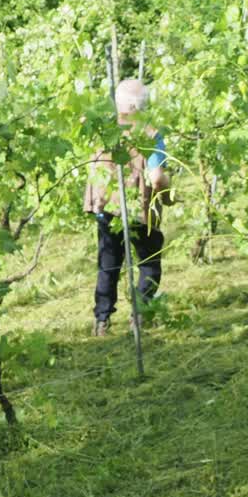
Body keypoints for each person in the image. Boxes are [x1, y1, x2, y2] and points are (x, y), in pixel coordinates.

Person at [83, 78, 173, 336]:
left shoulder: (102, 129)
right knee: (149, 263)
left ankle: (102, 320)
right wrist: (169, 191)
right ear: (141, 106)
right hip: (139, 207)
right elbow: (156, 178)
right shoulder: (151, 134)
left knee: (108, 263)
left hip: (106, 207)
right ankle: (140, 312)